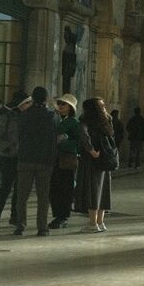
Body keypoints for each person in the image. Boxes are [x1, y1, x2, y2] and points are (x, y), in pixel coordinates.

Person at [13, 87, 59, 236]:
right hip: (44, 161)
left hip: (25, 159)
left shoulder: (24, 115)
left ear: (32, 98)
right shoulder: (51, 116)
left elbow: (19, 135)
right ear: (45, 98)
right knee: (43, 196)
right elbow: (53, 140)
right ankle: (42, 227)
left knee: (22, 195)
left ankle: (20, 225)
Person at [75, 97, 115, 233]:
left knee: (92, 190)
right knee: (103, 190)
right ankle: (100, 222)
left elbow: (83, 135)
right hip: (106, 159)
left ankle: (92, 223)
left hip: (92, 160)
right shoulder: (107, 119)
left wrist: (91, 150)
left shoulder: (85, 120)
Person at [0, 92, 25, 230]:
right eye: (27, 103)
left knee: (19, 190)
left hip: (24, 158)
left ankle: (14, 217)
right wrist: (9, 147)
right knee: (5, 188)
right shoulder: (7, 118)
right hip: (9, 158)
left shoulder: (29, 117)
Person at [48, 94, 80, 229]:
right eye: (59, 103)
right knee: (54, 188)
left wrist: (63, 143)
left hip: (66, 159)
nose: (60, 106)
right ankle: (57, 214)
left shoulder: (73, 122)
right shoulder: (55, 119)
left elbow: (78, 142)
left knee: (65, 189)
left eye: (63, 104)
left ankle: (63, 216)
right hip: (53, 159)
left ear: (70, 108)